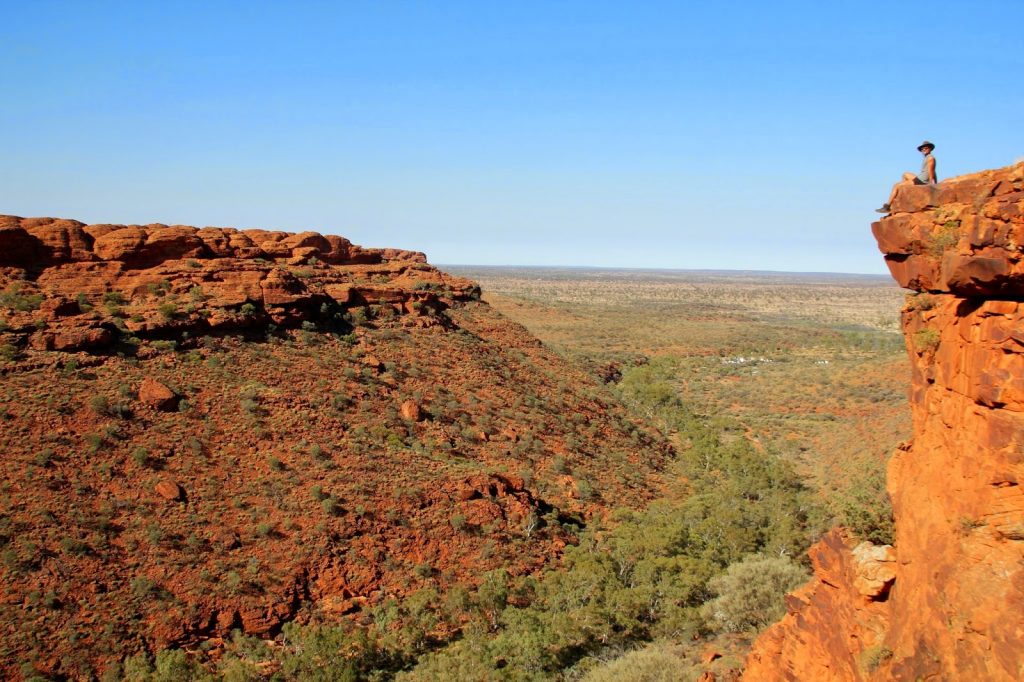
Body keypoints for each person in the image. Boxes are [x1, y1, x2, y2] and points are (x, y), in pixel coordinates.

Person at [876, 141, 937, 213]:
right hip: (920, 178)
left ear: (930, 149)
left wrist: (932, 184)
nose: (923, 150)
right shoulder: (928, 157)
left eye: (926, 148)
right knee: (905, 174)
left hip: (922, 180)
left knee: (896, 185)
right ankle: (902, 193)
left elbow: (931, 171)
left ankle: (887, 206)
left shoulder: (930, 158)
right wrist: (936, 181)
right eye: (922, 149)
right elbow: (934, 171)